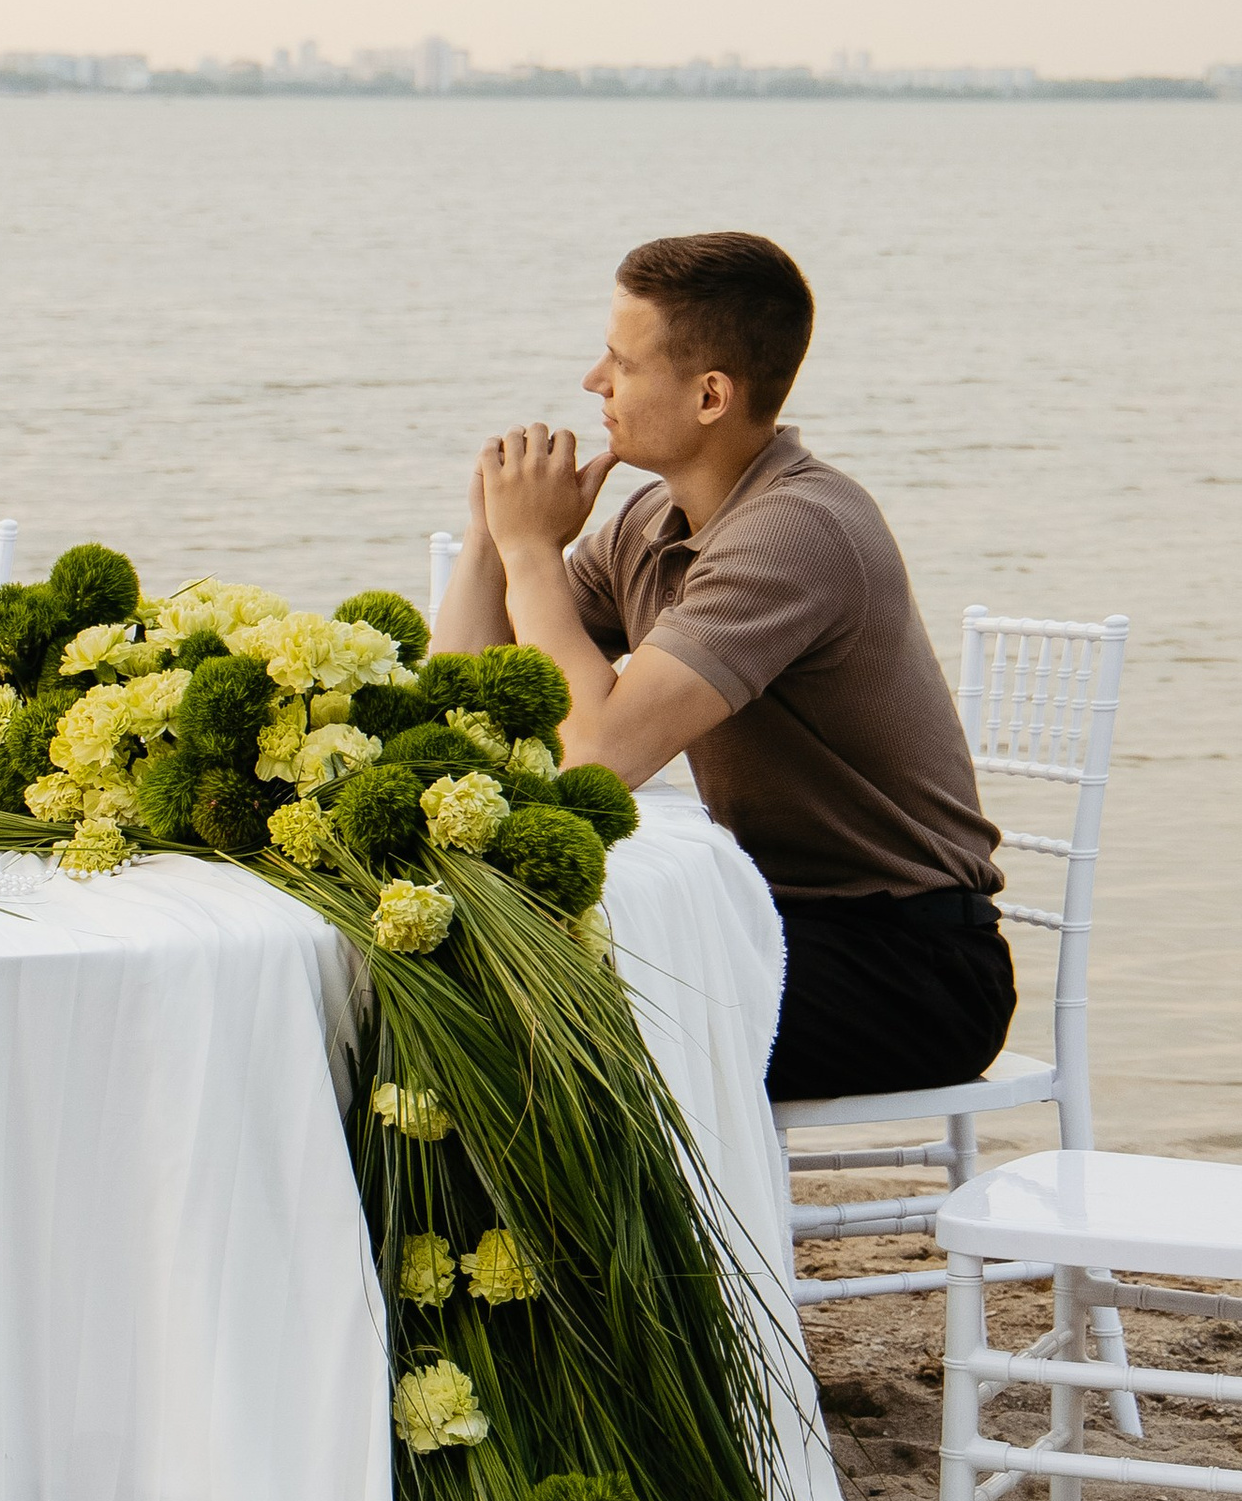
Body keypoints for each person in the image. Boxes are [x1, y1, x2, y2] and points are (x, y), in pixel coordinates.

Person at [432, 227, 1013, 1101]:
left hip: (907, 965)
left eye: (620, 363)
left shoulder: (795, 532)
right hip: (767, 919)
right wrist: (491, 534)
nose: (595, 382)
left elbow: (598, 755)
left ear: (710, 396)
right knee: (473, 973)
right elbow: (460, 699)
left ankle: (644, 1241)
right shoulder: (650, 523)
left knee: (535, 1013)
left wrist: (532, 554)